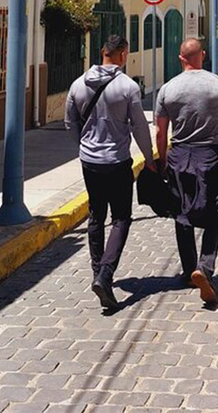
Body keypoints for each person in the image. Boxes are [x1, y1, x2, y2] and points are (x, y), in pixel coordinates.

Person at [65, 35, 156, 310]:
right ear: (123, 54)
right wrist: (149, 158)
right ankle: (105, 274)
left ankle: (96, 270)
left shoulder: (78, 84)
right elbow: (139, 126)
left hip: (89, 161)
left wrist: (83, 146)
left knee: (96, 215)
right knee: (121, 218)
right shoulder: (128, 87)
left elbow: (70, 123)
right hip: (117, 161)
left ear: (102, 52)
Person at [155, 38, 218, 305]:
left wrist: (162, 160)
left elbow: (160, 131)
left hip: (180, 154)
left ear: (181, 59)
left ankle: (188, 268)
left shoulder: (168, 89)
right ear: (202, 55)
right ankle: (204, 267)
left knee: (182, 214)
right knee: (216, 214)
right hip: (209, 154)